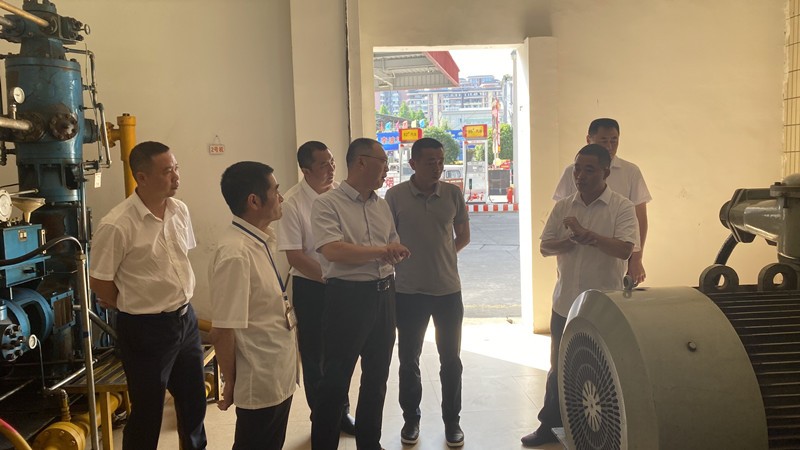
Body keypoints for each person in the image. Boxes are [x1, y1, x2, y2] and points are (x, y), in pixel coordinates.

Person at [89, 141, 207, 450]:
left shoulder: (179, 210)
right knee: (147, 412)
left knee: (194, 403)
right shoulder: (117, 224)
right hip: (145, 330)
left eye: (176, 168)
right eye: (167, 171)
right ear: (141, 177)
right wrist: (132, 302)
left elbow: (180, 259)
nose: (176, 176)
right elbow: (99, 281)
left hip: (186, 320)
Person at [522, 144, 639, 447]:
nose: (580, 176)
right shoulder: (564, 206)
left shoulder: (622, 207)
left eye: (589, 170)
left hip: (603, 306)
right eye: (577, 169)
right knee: (558, 367)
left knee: (603, 368)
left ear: (605, 172)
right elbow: (545, 246)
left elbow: (625, 249)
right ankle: (550, 426)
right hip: (565, 302)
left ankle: (603, 431)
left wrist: (591, 237)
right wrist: (570, 241)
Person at [310, 137, 410, 450]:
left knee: (377, 378)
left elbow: (391, 241)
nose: (387, 168)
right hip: (347, 298)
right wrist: (382, 251)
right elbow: (333, 250)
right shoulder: (327, 204)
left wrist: (395, 252)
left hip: (384, 295)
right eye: (383, 162)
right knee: (335, 382)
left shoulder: (381, 205)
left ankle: (370, 443)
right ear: (362, 162)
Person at [385, 137, 470, 447]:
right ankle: (411, 419)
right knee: (409, 359)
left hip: (448, 292)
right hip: (408, 292)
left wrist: (442, 256)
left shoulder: (452, 194)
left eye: (440, 161)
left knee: (451, 360)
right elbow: (387, 239)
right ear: (413, 164)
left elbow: (463, 236)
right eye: (430, 161)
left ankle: (452, 422)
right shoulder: (395, 196)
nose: (437, 167)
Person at [209, 162, 297, 450]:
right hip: (258, 379)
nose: (281, 198)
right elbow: (223, 330)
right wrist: (230, 381)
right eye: (276, 191)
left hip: (276, 371)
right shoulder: (236, 253)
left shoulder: (259, 240)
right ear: (254, 201)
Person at [276, 141, 356, 435]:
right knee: (315, 358)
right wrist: (330, 276)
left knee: (341, 353)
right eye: (323, 165)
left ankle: (341, 412)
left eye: (332, 162)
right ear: (305, 170)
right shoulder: (292, 203)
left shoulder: (341, 194)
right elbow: (295, 256)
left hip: (343, 284)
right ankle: (321, 418)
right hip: (312, 287)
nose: (331, 169)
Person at [552, 118, 650, 285]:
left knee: (612, 293)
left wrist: (636, 259)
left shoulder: (630, 172)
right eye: (603, 141)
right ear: (589, 140)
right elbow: (562, 216)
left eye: (614, 140)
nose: (609, 146)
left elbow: (640, 217)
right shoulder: (572, 172)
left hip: (615, 254)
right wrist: (561, 258)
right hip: (577, 254)